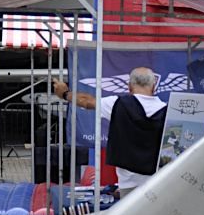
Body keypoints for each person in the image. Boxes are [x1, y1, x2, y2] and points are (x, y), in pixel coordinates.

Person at [52, 67, 165, 196]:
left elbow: (87, 102)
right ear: (154, 86)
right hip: (159, 181)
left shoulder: (116, 104)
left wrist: (65, 94)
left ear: (129, 86)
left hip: (128, 184)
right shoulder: (168, 110)